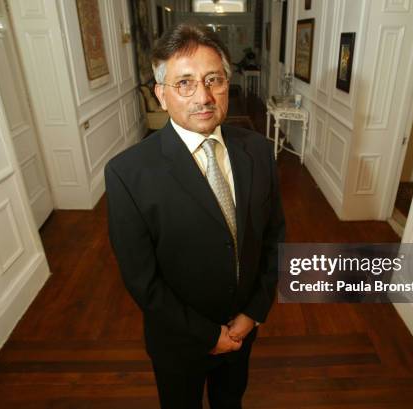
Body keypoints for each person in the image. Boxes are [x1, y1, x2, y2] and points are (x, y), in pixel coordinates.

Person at [105, 23, 285, 409]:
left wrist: (253, 312)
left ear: (226, 85)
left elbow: (274, 239)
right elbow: (142, 280)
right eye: (184, 83)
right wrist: (207, 335)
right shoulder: (127, 173)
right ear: (161, 95)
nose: (202, 96)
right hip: (178, 342)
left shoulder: (258, 150)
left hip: (242, 330)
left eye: (212, 80)